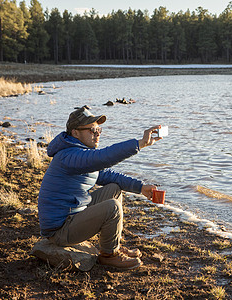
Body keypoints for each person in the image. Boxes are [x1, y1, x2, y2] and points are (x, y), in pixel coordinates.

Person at [38, 106, 162, 270]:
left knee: (113, 188)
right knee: (112, 207)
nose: (97, 133)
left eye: (98, 129)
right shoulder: (69, 156)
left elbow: (108, 175)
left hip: (73, 214)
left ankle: (112, 245)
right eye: (92, 129)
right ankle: (109, 256)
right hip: (60, 231)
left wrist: (141, 188)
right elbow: (104, 157)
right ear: (75, 133)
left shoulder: (80, 153)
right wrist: (139, 143)